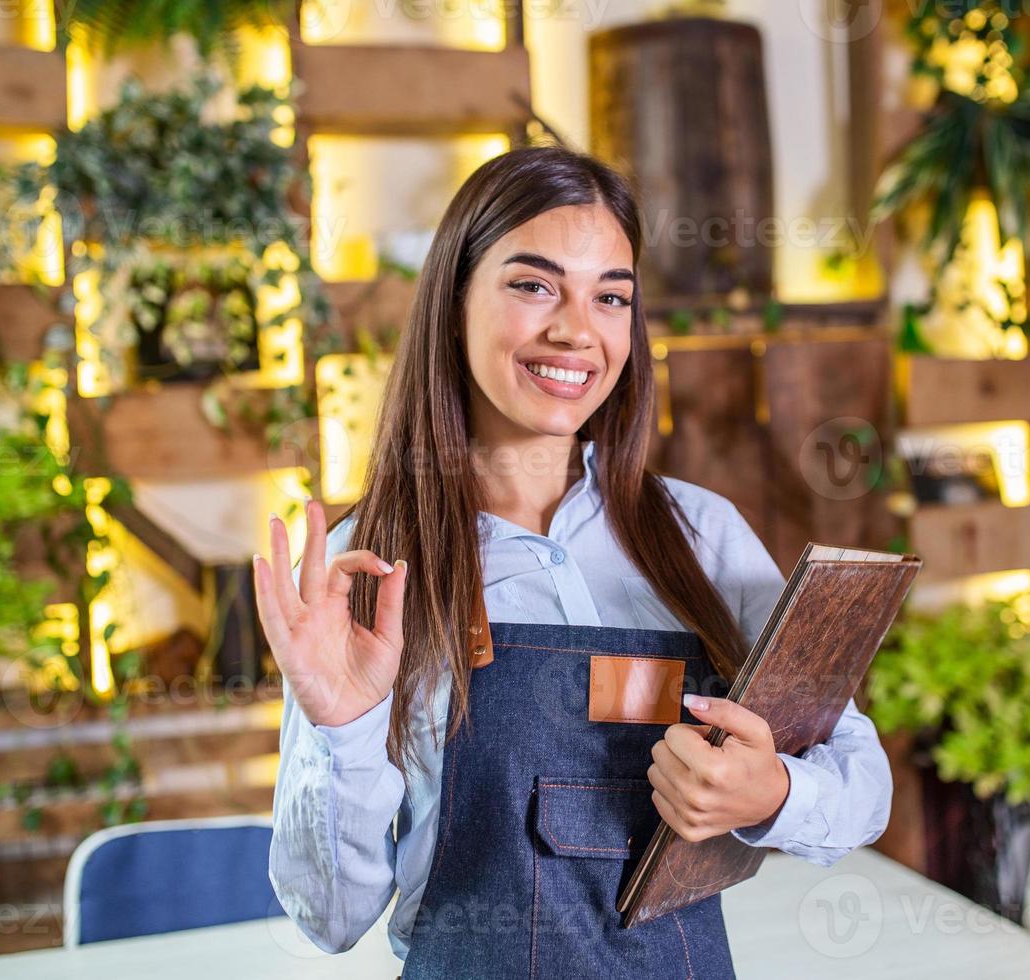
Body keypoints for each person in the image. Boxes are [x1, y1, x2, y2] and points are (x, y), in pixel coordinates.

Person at [256, 145, 892, 979]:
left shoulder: (702, 539)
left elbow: (861, 779)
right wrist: (340, 729)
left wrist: (773, 795)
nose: (577, 330)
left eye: (611, 296)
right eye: (533, 285)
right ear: (453, 303)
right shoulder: (366, 570)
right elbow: (329, 919)